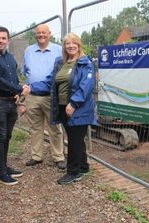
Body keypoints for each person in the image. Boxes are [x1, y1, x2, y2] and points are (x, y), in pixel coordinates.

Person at [28, 33, 97, 185]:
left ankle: (73, 172)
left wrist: (74, 103)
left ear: (79, 45)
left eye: (74, 43)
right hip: (63, 107)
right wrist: (31, 87)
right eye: (67, 43)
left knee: (74, 140)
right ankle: (84, 166)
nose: (71, 46)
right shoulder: (60, 63)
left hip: (78, 107)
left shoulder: (85, 63)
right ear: (64, 47)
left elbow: (86, 85)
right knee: (76, 138)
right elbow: (49, 83)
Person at [0, 26, 29, 186]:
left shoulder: (10, 58)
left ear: (8, 40)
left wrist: (18, 94)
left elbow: (13, 79)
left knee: (7, 136)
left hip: (11, 102)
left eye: (3, 38)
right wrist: (20, 89)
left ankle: (4, 166)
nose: (0, 41)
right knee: (0, 136)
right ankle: (1, 173)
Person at [22, 24, 66, 169]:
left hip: (50, 96)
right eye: (38, 33)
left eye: (44, 33)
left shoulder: (58, 50)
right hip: (32, 96)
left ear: (49, 34)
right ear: (36, 35)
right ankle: (36, 156)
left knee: (55, 127)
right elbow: (25, 71)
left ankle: (58, 156)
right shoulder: (28, 51)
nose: (41, 35)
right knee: (35, 128)